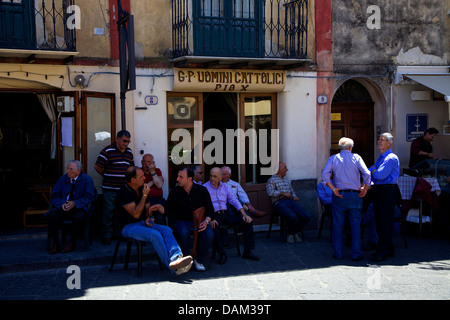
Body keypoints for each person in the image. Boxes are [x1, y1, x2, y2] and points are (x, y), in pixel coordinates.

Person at [116, 166, 193, 276]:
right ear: (133, 180)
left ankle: (177, 257)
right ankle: (173, 267)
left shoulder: (142, 188)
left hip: (142, 224)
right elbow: (136, 214)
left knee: (166, 229)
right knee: (155, 234)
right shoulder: (124, 192)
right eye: (141, 176)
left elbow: (147, 213)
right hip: (128, 227)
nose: (144, 178)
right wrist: (145, 195)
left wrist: (150, 218)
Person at [322, 137, 371, 260]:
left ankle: (338, 253)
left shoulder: (333, 158)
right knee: (355, 226)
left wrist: (333, 188)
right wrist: (365, 188)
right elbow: (367, 173)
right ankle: (356, 254)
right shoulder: (357, 157)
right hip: (354, 195)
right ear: (350, 148)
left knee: (338, 226)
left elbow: (324, 174)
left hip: (340, 195)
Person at [203, 167, 260, 264]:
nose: (212, 178)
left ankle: (247, 251)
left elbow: (234, 201)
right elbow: (203, 206)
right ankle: (222, 253)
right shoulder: (205, 188)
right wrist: (210, 219)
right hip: (213, 216)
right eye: (211, 176)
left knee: (247, 222)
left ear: (220, 177)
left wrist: (244, 215)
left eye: (215, 176)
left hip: (225, 214)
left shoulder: (225, 187)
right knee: (214, 227)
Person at [164, 166, 215, 272]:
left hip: (200, 221)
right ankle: (186, 260)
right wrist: (159, 209)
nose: (177, 179)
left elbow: (210, 210)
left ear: (189, 179)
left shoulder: (202, 190)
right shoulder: (175, 191)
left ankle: (199, 260)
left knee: (209, 234)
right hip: (182, 221)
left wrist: (206, 221)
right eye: (178, 176)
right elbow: (167, 209)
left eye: (180, 177)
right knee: (183, 233)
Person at [46, 160, 96, 254]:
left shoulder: (87, 180)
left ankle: (72, 242)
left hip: (79, 208)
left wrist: (75, 203)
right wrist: (62, 203)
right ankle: (56, 243)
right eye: (67, 168)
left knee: (79, 217)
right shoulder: (63, 179)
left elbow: (90, 197)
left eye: (71, 169)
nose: (68, 171)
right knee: (51, 216)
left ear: (78, 171)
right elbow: (54, 195)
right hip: (64, 206)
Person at [94, 130, 134, 245]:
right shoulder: (107, 151)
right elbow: (97, 166)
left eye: (128, 141)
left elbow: (130, 169)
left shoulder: (129, 152)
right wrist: (106, 175)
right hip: (109, 188)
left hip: (123, 189)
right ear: (117, 139)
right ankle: (106, 235)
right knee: (108, 212)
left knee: (121, 213)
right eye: (124, 141)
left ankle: (119, 234)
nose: (126, 144)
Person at [368, 133, 400, 262]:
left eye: (383, 140)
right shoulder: (382, 157)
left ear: (389, 143)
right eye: (379, 139)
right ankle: (388, 248)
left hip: (386, 191)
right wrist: (374, 170)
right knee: (381, 221)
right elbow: (372, 168)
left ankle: (382, 251)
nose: (379, 142)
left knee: (384, 222)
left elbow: (379, 175)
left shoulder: (391, 158)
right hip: (380, 191)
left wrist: (374, 171)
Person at [266, 162, 311, 243]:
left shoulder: (286, 180)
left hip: (290, 202)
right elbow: (270, 192)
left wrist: (294, 196)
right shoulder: (271, 180)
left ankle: (294, 232)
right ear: (278, 169)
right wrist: (282, 193)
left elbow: (291, 191)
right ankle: (290, 234)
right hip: (279, 203)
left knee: (307, 216)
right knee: (293, 216)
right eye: (285, 168)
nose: (287, 169)